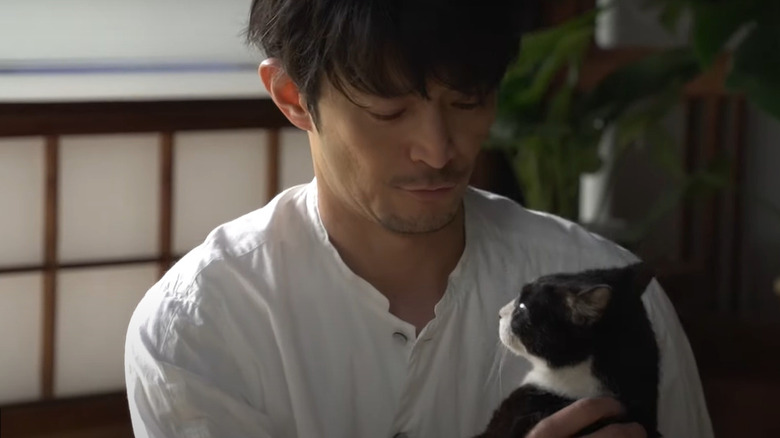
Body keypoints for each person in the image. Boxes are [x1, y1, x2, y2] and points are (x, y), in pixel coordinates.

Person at [124, 0, 715, 437]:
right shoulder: (202, 325)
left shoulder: (606, 290)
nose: (437, 149)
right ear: (292, 96)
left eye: (467, 102)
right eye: (389, 111)